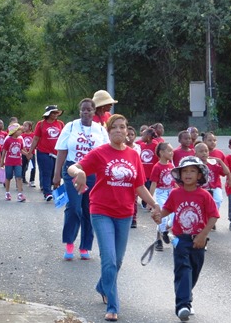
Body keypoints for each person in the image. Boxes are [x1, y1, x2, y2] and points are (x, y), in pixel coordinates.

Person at [67, 114, 161, 322]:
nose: (119, 130)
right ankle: (112, 304)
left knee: (117, 261)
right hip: (101, 211)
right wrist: (79, 174)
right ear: (108, 132)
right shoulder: (100, 153)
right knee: (108, 259)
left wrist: (154, 205)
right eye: (114, 128)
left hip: (125, 214)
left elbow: (139, 186)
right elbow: (72, 167)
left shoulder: (133, 155)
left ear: (127, 131)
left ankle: (102, 285)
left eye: (122, 127)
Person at [159, 156, 219, 322]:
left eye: (193, 171)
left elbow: (214, 216)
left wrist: (203, 235)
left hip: (199, 241)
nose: (188, 174)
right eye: (185, 171)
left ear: (199, 175)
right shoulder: (175, 193)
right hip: (181, 240)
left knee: (194, 271)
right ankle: (182, 305)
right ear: (179, 175)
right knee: (183, 270)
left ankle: (186, 296)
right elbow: (167, 209)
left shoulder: (205, 195)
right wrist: (158, 215)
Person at [53, 98, 109, 261]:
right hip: (72, 169)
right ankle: (69, 242)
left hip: (93, 172)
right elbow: (62, 151)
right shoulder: (70, 127)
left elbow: (106, 154)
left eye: (89, 110)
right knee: (74, 207)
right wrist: (56, 175)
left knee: (89, 209)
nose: (86, 112)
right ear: (80, 111)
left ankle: (85, 246)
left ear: (94, 112)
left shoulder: (100, 130)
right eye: (83, 109)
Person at [28, 105, 64, 201]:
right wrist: (30, 152)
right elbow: (36, 138)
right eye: (53, 113)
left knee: (56, 173)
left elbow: (64, 138)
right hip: (44, 152)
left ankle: (56, 190)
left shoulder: (60, 124)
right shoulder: (41, 124)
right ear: (49, 114)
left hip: (57, 152)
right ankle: (47, 192)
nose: (56, 114)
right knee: (46, 172)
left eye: (57, 113)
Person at [149, 142, 176, 251]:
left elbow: (174, 181)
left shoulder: (171, 165)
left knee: (174, 216)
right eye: (169, 150)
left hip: (171, 192)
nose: (172, 152)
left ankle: (164, 230)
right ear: (161, 152)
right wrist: (150, 201)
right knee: (162, 215)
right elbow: (154, 184)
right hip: (161, 193)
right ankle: (162, 234)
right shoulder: (157, 167)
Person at [194, 142, 231, 214]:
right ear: (195, 153)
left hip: (214, 187)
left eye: (206, 151)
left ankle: (212, 216)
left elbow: (226, 172)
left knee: (218, 200)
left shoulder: (213, 163)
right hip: (200, 188)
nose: (204, 153)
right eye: (201, 151)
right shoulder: (195, 165)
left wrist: (220, 161)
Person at [0, 123, 26, 202]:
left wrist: (27, 154)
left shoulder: (20, 140)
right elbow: (4, 151)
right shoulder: (8, 140)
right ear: (14, 131)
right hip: (9, 162)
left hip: (18, 162)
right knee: (8, 177)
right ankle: (7, 192)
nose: (21, 132)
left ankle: (20, 194)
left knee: (19, 177)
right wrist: (2, 161)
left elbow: (21, 150)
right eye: (19, 130)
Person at [21, 121, 36, 187]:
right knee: (23, 166)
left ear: (30, 127)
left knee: (33, 167)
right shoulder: (22, 136)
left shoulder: (33, 135)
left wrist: (30, 152)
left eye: (25, 126)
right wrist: (25, 153)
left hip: (32, 153)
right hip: (24, 153)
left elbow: (35, 143)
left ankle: (31, 180)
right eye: (23, 126)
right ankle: (22, 178)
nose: (24, 127)